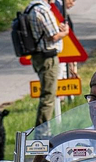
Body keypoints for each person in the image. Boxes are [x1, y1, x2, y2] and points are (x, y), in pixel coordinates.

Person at [28, 0, 69, 128]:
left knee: (47, 95)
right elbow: (53, 36)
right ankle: (42, 132)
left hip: (38, 55)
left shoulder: (31, 7)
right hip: (48, 57)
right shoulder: (43, 10)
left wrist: (58, 30)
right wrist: (65, 32)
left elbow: (43, 32)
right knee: (48, 96)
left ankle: (42, 130)